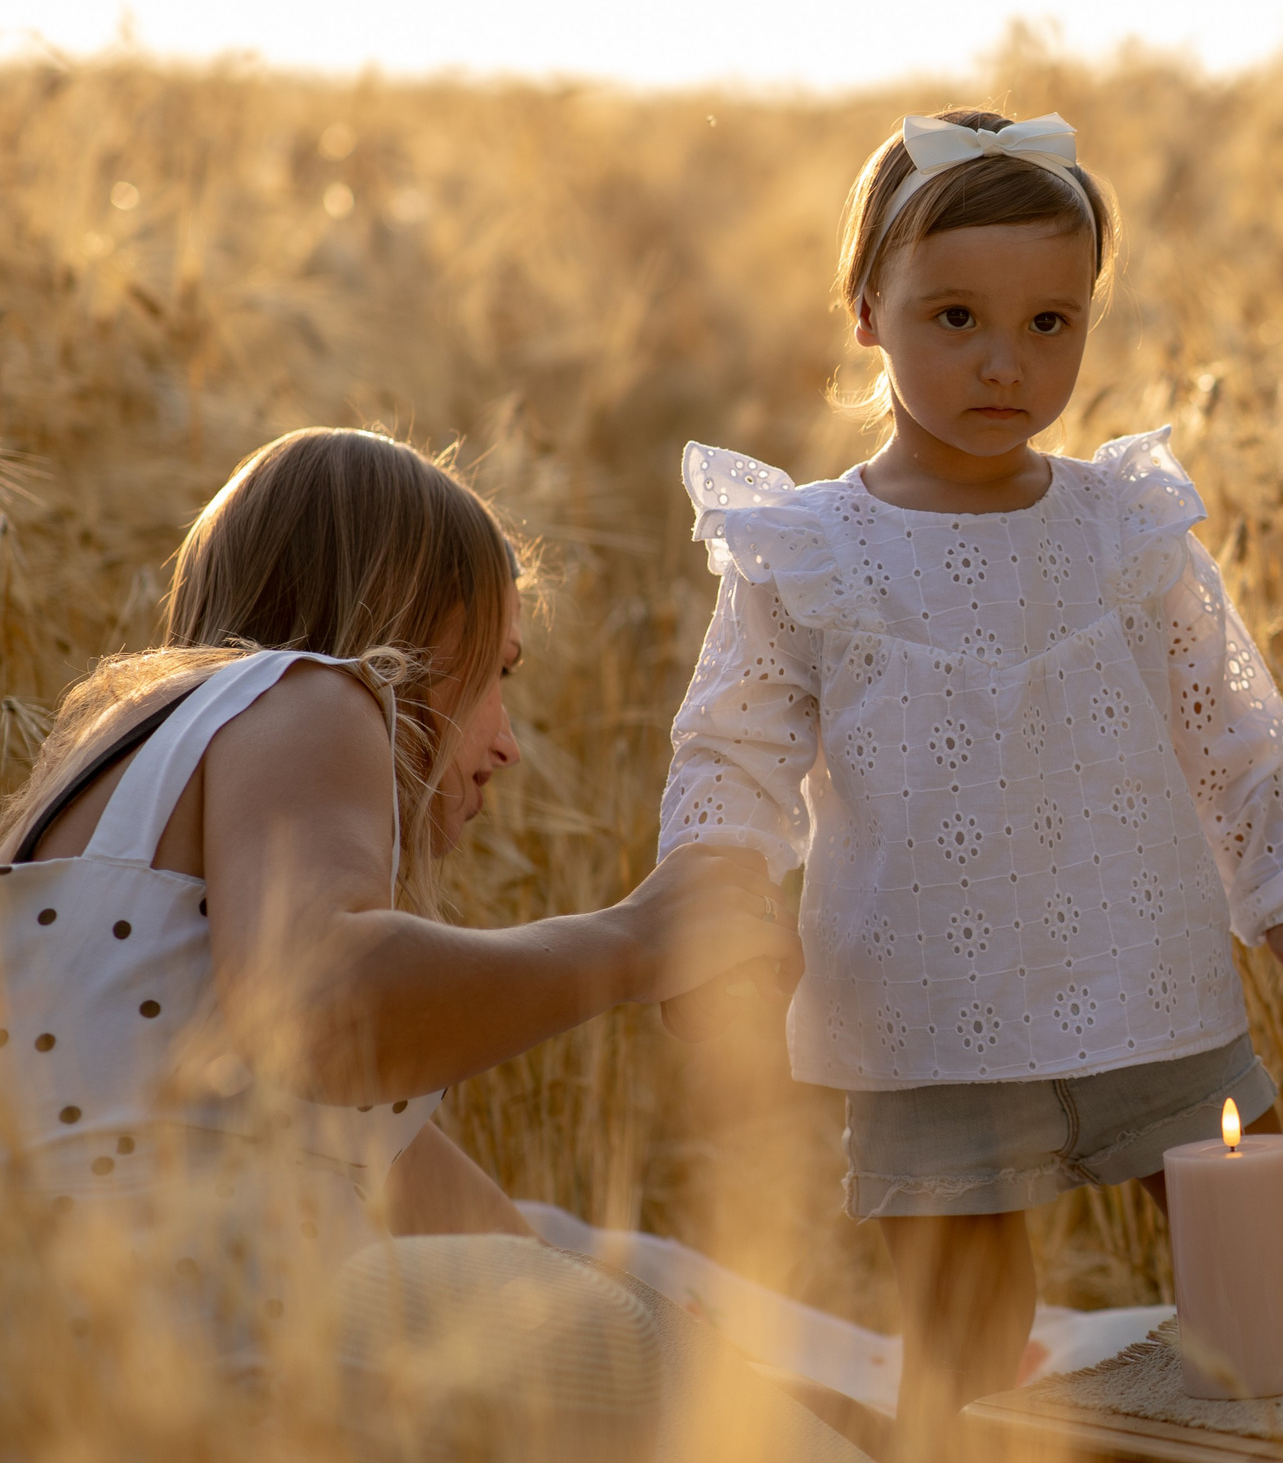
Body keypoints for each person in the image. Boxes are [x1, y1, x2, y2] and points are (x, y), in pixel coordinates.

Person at [660, 110, 1283, 1454]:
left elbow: (1222, 728)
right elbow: (735, 750)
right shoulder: (807, 548)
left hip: (1145, 970)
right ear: (865, 308)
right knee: (960, 1337)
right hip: (926, 998)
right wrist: (722, 901)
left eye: (1051, 324)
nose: (1007, 363)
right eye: (955, 316)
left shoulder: (1123, 525)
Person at [0, 427, 850, 1457]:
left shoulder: (98, 798)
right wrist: (634, 937)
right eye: (494, 672)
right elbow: (319, 1006)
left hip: (65, 1350)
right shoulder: (315, 690)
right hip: (220, 1342)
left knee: (609, 1282)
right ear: (404, 633)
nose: (506, 740)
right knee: (664, 1366)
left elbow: (442, 1202)